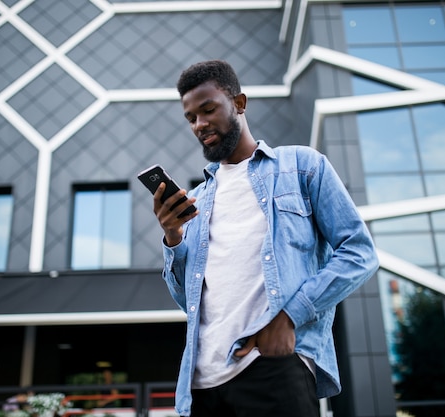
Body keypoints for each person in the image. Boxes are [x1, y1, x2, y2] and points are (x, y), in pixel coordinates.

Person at [150, 60, 379, 417]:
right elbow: (187, 301)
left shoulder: (302, 167)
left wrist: (290, 317)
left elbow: (360, 253)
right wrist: (173, 238)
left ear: (239, 103)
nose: (200, 125)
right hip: (201, 387)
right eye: (191, 118)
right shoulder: (197, 201)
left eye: (208, 110)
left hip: (273, 367)